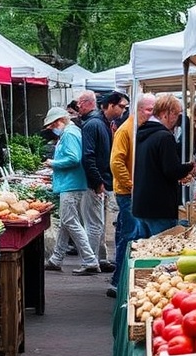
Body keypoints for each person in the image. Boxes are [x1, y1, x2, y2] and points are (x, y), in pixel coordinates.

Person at [42, 107, 102, 275]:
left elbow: (74, 158)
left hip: (71, 183)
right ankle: (56, 258)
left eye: (52, 125)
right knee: (65, 223)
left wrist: (53, 163)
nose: (51, 129)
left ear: (60, 121)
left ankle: (90, 260)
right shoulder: (70, 132)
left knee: (70, 222)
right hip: (71, 183)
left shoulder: (69, 134)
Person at [108, 93, 157, 298]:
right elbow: (116, 162)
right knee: (128, 236)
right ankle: (118, 283)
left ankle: (119, 280)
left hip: (129, 192)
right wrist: (131, 185)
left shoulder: (136, 129)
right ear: (137, 109)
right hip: (127, 194)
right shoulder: (126, 130)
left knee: (127, 235)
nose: (151, 114)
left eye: (153, 109)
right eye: (148, 109)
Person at [132, 94, 195, 236]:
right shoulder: (164, 137)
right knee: (162, 250)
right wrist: (189, 167)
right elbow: (171, 170)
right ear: (167, 113)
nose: (177, 119)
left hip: (141, 204)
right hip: (159, 206)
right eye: (177, 114)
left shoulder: (142, 133)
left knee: (144, 251)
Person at [79, 90, 126, 271]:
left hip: (101, 181)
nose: (123, 110)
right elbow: (88, 156)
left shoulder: (103, 124)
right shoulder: (96, 124)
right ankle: (94, 259)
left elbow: (93, 156)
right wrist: (98, 181)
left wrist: (100, 181)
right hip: (98, 182)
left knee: (96, 222)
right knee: (95, 223)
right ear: (110, 105)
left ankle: (96, 259)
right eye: (121, 106)